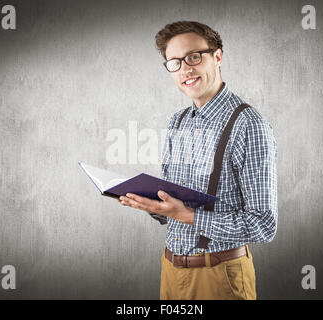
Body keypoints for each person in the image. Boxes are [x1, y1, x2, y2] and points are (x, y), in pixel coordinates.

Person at [118, 21, 278, 300]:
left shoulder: (248, 124)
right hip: (170, 270)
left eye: (193, 57)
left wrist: (187, 216)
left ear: (217, 56)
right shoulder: (177, 121)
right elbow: (176, 201)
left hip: (219, 276)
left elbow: (263, 225)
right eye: (174, 63)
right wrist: (153, 205)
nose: (185, 69)